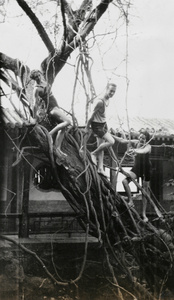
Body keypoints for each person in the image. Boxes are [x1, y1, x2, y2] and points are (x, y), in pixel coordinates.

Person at [114, 130, 163, 222]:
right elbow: (123, 141)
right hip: (137, 168)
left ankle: (144, 214)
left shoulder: (148, 146)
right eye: (140, 137)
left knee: (145, 192)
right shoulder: (137, 142)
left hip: (146, 169)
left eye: (143, 138)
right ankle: (130, 200)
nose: (141, 139)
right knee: (124, 181)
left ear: (147, 139)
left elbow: (143, 151)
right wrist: (111, 136)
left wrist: (134, 150)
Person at [30, 69, 71, 156]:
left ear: (40, 74)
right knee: (68, 122)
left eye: (39, 75)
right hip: (51, 108)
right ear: (34, 79)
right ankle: (50, 134)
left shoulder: (43, 80)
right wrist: (34, 117)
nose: (38, 78)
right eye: (36, 77)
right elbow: (35, 104)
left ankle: (58, 148)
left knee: (63, 127)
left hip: (55, 105)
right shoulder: (36, 89)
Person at [85, 83, 117, 177]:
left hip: (103, 124)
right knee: (111, 141)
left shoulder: (108, 100)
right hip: (97, 125)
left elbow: (102, 114)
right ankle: (93, 153)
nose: (112, 93)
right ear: (106, 89)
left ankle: (100, 168)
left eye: (114, 92)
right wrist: (87, 127)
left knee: (101, 147)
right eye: (110, 91)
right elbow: (92, 115)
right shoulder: (100, 101)